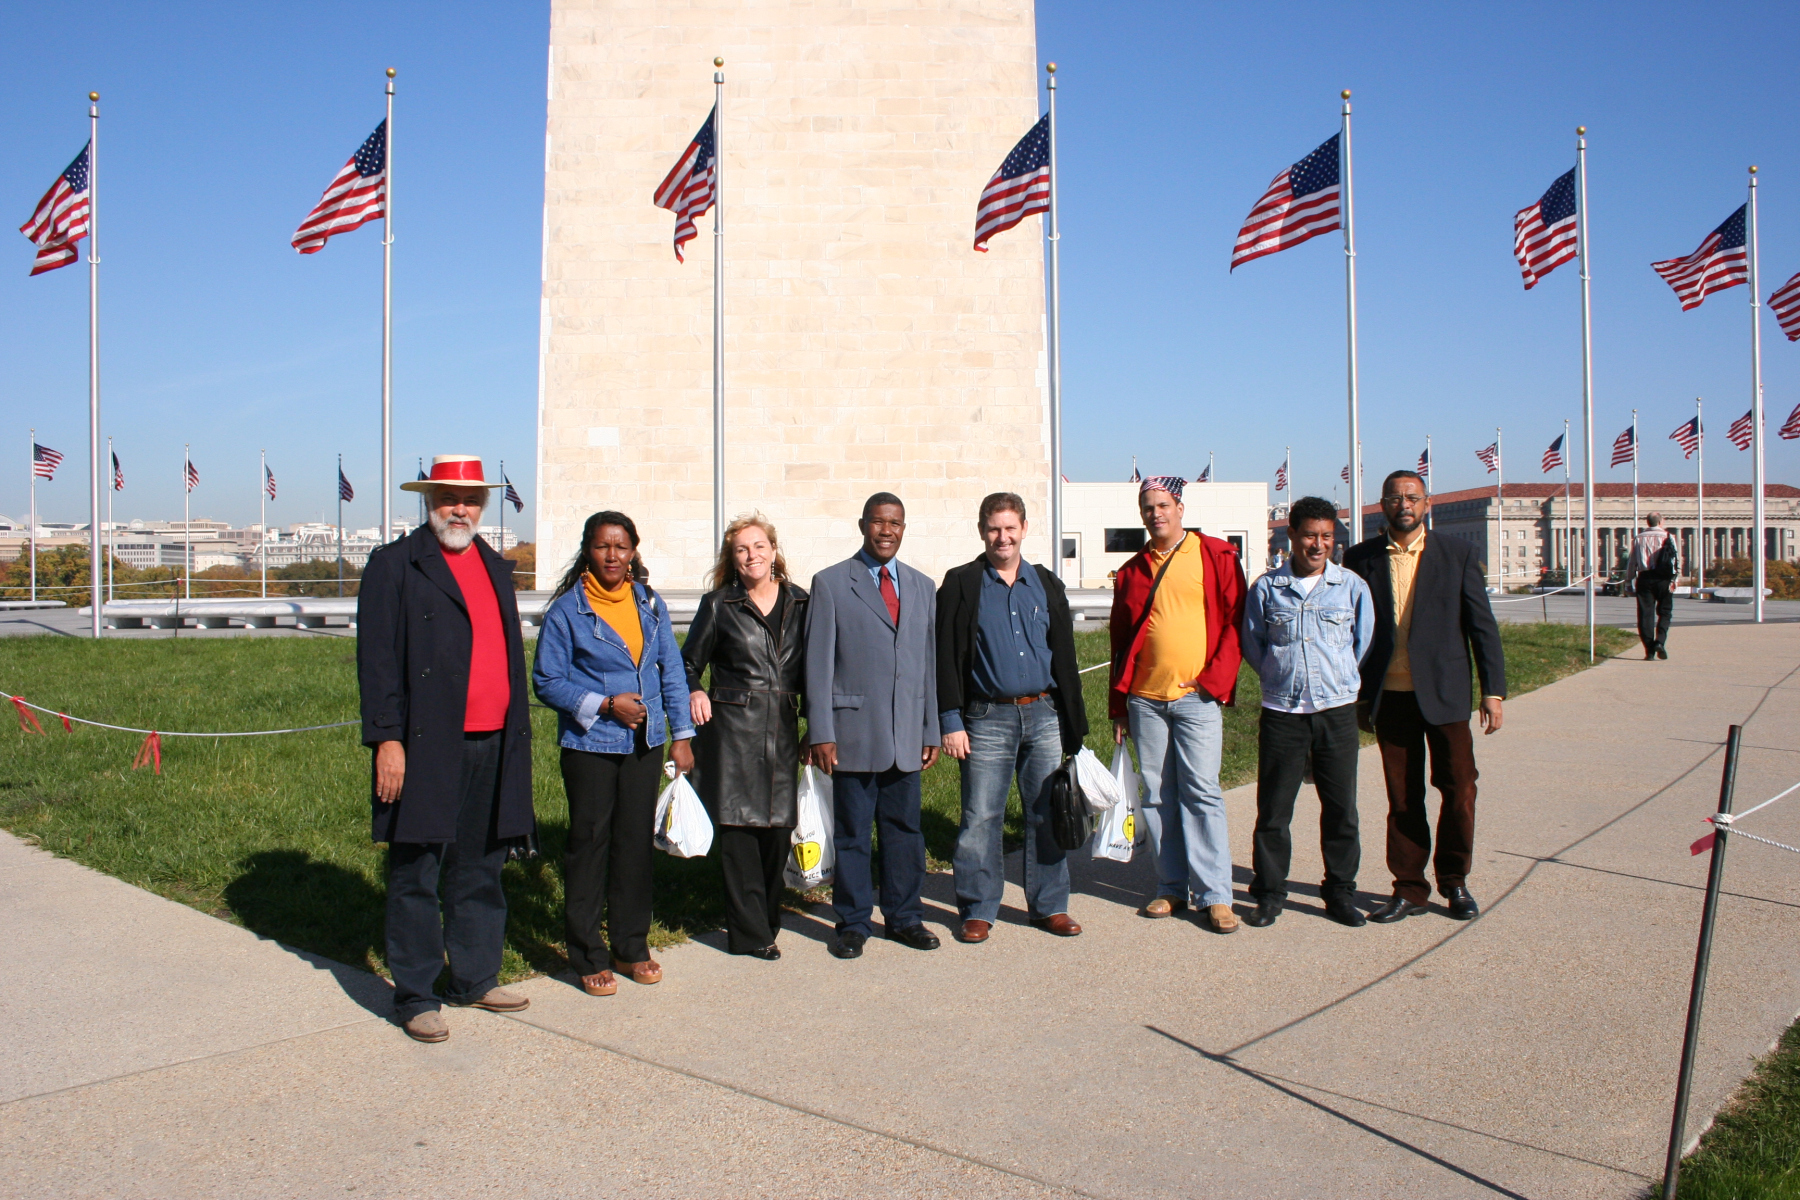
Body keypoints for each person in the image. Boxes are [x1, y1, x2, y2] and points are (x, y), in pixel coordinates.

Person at [359, 455, 535, 1043]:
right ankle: (416, 995)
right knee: (417, 868)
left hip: (494, 740)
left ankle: (475, 976)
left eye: (471, 500)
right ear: (429, 501)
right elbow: (377, 663)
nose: (460, 509)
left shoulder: (493, 565)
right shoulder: (395, 565)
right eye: (448, 499)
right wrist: (387, 739)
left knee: (481, 865)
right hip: (425, 745)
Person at [533, 511, 694, 995]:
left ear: (633, 552)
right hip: (591, 745)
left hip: (645, 743)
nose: (612, 555)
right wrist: (605, 705)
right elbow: (546, 680)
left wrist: (682, 735)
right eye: (603, 546)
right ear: (588, 550)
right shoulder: (568, 611)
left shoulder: (649, 602)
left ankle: (631, 946)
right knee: (589, 845)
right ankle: (587, 954)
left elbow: (671, 670)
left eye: (621, 546)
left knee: (634, 845)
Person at [1344, 470, 1507, 923]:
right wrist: (1356, 696)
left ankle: (1454, 882)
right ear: (1383, 504)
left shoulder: (1457, 554)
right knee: (1403, 798)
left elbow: (1482, 626)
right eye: (1395, 498)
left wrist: (1492, 691)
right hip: (1390, 696)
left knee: (1460, 790)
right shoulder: (1360, 559)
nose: (1404, 505)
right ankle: (1409, 888)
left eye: (1412, 497)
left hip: (1445, 694)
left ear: (1427, 503)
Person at [936, 492, 1089, 944]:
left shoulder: (1045, 583)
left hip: (1043, 713)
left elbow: (1065, 655)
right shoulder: (962, 583)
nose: (1002, 537)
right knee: (981, 816)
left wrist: (1072, 722)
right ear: (982, 531)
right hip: (986, 717)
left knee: (1047, 813)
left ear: (1023, 528)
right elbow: (944, 655)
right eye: (993, 529)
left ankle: (1050, 905)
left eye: (1010, 528)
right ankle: (978, 908)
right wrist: (950, 719)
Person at [804, 492, 941, 960]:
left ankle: (905, 917)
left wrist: (931, 729)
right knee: (853, 833)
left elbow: (929, 664)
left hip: (907, 735)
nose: (887, 531)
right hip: (852, 733)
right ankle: (853, 922)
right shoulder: (831, 583)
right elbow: (818, 665)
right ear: (863, 525)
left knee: (905, 831)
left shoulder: (923, 587)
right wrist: (821, 731)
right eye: (879, 522)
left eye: (895, 523)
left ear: (904, 528)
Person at [1109, 476, 1246, 934]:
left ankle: (1215, 895)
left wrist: (1213, 683)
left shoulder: (1215, 555)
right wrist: (1118, 706)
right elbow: (1119, 641)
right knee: (1157, 794)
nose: (1156, 514)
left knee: (1201, 792)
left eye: (1163, 505)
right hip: (1145, 700)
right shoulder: (1132, 571)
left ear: (1180, 508)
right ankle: (1171, 886)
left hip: (1196, 698)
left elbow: (1235, 621)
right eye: (1148, 507)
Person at [1240, 496, 1375, 929]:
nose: (1318, 545)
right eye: (1310, 536)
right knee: (1274, 810)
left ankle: (1340, 892)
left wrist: (1337, 680)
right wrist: (1279, 676)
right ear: (1292, 536)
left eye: (1327, 536)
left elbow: (1361, 643)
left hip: (1336, 712)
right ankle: (1269, 893)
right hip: (1283, 712)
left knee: (1341, 810)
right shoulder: (1267, 588)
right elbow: (1254, 643)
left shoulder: (1350, 587)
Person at [681, 514, 809, 960]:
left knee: (777, 835)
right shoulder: (719, 605)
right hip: (733, 735)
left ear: (773, 551)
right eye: (741, 550)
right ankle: (749, 934)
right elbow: (687, 663)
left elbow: (815, 670)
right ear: (732, 559)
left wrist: (816, 726)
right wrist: (695, 690)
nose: (751, 555)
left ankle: (766, 922)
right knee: (739, 835)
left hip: (783, 734)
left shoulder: (801, 602)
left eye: (758, 546)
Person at [1623, 513, 1677, 661]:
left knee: (1645, 614)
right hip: (1664, 579)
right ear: (1660, 522)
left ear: (1648, 522)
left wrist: (1628, 581)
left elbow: (1632, 562)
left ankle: (1649, 650)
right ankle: (1660, 641)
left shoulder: (1639, 538)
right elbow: (1675, 560)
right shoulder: (1668, 537)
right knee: (1665, 612)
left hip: (1645, 578)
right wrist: (1674, 580)